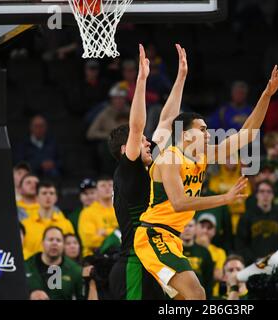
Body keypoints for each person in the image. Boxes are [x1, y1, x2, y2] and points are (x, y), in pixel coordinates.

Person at [134, 64, 278, 300]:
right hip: (153, 235)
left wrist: (266, 94)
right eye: (203, 130)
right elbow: (179, 202)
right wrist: (224, 199)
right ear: (186, 135)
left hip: (172, 237)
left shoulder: (204, 155)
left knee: (187, 299)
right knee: (197, 294)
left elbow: (247, 133)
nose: (208, 134)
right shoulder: (169, 158)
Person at [107, 44, 187, 300]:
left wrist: (181, 77)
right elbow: (136, 125)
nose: (148, 142)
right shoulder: (127, 169)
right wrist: (141, 81)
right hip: (133, 263)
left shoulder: (149, 166)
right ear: (125, 148)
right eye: (143, 140)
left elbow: (166, 121)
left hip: (154, 261)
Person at [236, 180, 278, 265]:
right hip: (252, 264)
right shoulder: (246, 217)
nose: (265, 195)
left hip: (277, 264)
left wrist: (277, 258)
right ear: (256, 195)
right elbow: (241, 244)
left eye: (269, 192)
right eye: (262, 191)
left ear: (273, 195)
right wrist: (255, 260)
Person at [25, 226, 83, 300]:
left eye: (58, 240)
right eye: (50, 239)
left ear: (63, 245)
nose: (54, 243)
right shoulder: (26, 266)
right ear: (42, 243)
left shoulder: (75, 270)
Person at [22, 181, 74, 260]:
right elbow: (20, 249)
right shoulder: (25, 224)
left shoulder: (66, 224)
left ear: (56, 197)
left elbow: (70, 250)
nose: (48, 196)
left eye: (51, 193)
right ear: (37, 197)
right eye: (44, 193)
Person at [207, 157, 252, 234]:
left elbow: (248, 199)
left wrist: (225, 200)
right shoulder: (215, 180)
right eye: (227, 158)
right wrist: (235, 201)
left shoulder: (243, 180)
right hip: (221, 220)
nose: (230, 161)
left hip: (240, 220)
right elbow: (212, 200)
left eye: (233, 157)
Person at [78, 175, 118, 257]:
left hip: (119, 254)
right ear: (96, 190)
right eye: (103, 185)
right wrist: (116, 234)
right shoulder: (87, 212)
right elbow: (89, 241)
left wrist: (105, 232)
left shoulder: (121, 209)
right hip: (95, 257)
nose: (107, 188)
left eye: (110, 185)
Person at [195, 213, 227, 298]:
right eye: (202, 226)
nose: (205, 230)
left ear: (214, 231)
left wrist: (204, 249)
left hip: (212, 295)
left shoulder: (220, 252)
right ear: (195, 228)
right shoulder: (185, 247)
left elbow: (218, 275)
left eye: (209, 228)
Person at [181, 219, 214, 299]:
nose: (187, 229)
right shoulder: (173, 251)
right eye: (184, 226)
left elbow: (209, 281)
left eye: (190, 226)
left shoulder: (204, 252)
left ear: (195, 228)